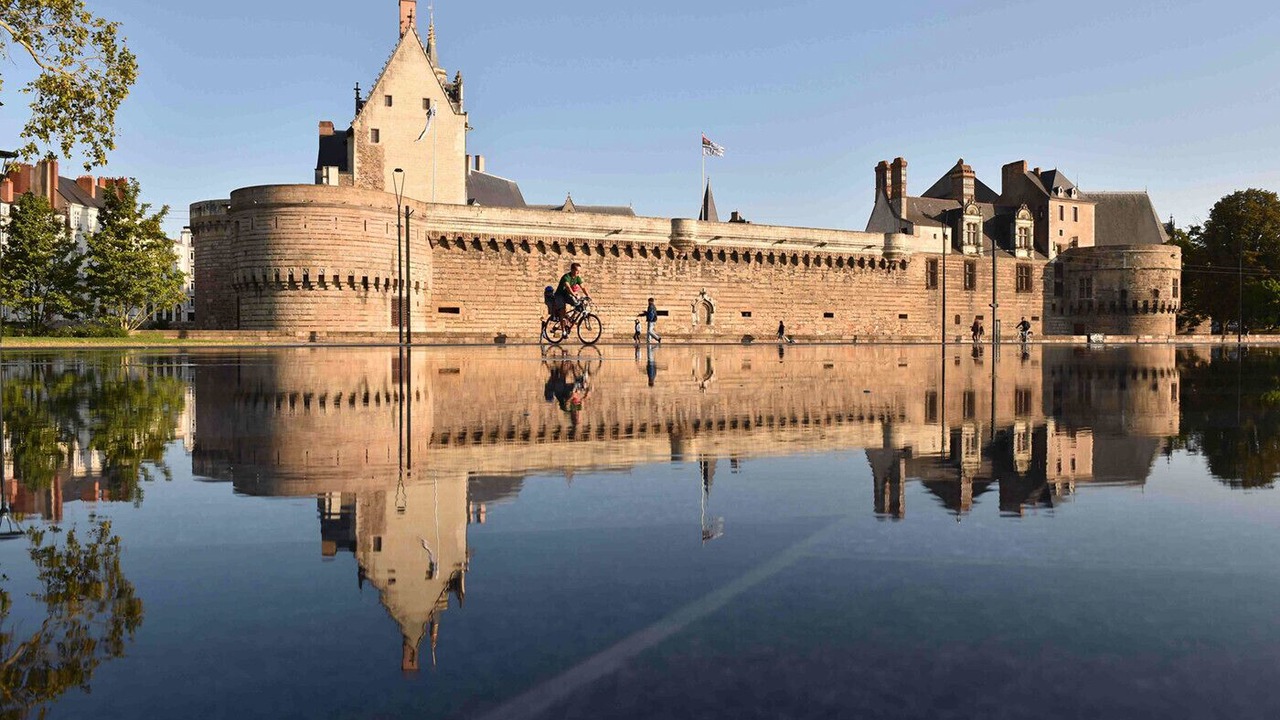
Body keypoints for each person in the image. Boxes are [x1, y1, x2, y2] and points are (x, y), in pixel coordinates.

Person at [554, 263, 587, 333]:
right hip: (559, 295)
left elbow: (583, 287)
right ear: (572, 270)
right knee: (562, 311)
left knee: (579, 305)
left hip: (567, 295)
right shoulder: (566, 277)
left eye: (579, 271)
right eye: (577, 270)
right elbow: (568, 287)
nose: (578, 272)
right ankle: (563, 332)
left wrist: (588, 296)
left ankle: (571, 318)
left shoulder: (577, 278)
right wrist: (574, 295)